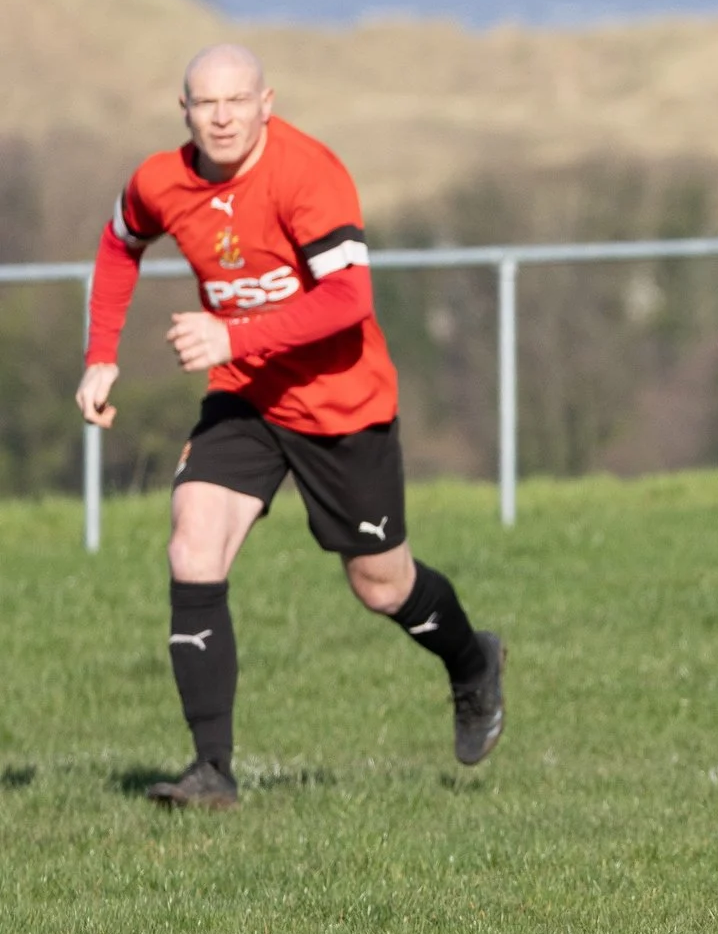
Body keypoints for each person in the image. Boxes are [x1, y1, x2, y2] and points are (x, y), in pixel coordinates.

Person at [77, 44, 506, 809]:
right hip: (246, 396)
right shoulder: (160, 181)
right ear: (184, 111)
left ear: (266, 102)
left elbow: (348, 300)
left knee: (380, 586)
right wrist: (100, 355)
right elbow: (119, 245)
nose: (222, 117)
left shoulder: (310, 175)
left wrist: (230, 336)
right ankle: (212, 772)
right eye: (206, 103)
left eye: (237, 101)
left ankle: (472, 663)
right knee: (192, 541)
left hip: (341, 404)